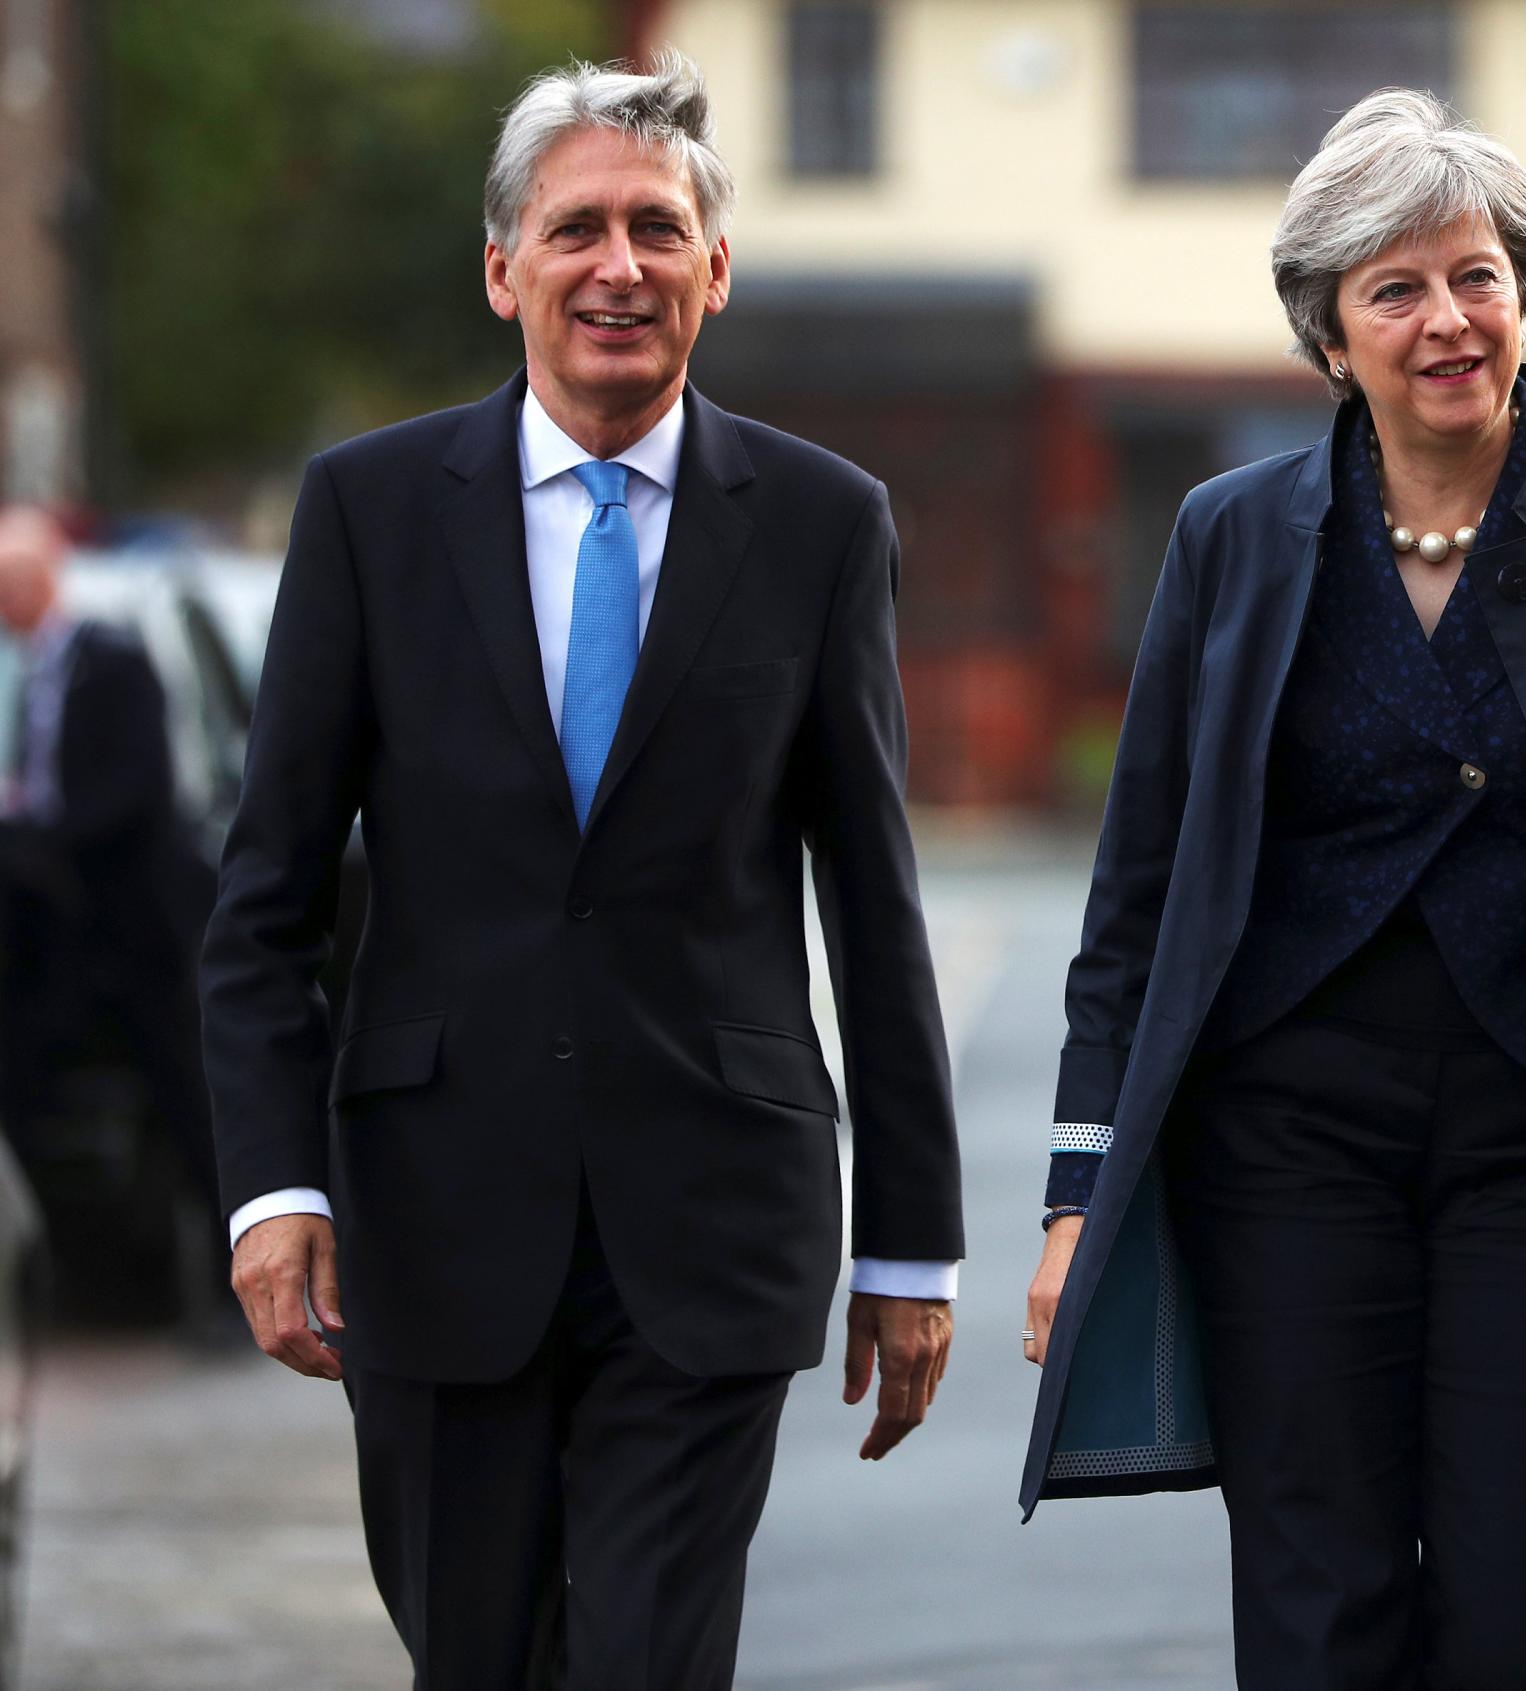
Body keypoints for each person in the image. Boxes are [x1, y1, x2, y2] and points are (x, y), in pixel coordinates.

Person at [1019, 89, 1526, 1688]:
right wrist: (1074, 1191)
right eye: (1394, 289)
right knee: (1320, 1601)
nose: (1447, 319)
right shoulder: (1233, 537)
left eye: (1477, 275)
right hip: (1289, 1135)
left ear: (1523, 294)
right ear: (1329, 339)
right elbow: (1144, 894)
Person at [198, 55, 962, 1690]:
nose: (619, 265)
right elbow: (262, 903)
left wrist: (911, 1246)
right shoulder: (370, 514)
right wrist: (275, 1189)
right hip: (431, 1219)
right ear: (504, 271)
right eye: (576, 231)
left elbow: (875, 901)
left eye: (658, 230)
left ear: (716, 269)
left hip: (713, 1220)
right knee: (477, 1661)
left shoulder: (822, 524)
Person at [0, 506, 218, 1229]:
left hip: (136, 919)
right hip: (67, 926)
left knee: (180, 1082)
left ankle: (226, 1252)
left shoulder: (113, 658)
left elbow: (134, 787)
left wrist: (41, 824)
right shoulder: (40, 671)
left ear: (39, 580)